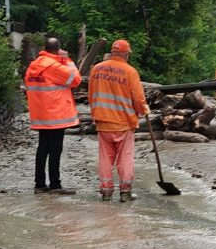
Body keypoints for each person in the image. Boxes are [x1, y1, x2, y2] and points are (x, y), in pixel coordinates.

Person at [88, 39, 149, 202]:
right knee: (125, 157)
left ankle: (106, 191)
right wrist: (143, 110)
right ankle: (125, 192)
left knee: (105, 158)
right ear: (126, 54)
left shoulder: (97, 69)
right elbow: (138, 97)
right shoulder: (130, 72)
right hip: (123, 122)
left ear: (113, 52)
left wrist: (95, 114)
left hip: (103, 120)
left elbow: (91, 95)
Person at [24, 38, 82, 194]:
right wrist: (67, 60)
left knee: (42, 148)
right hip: (55, 115)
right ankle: (55, 185)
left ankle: (40, 184)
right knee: (55, 150)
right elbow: (75, 79)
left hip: (40, 114)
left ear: (44, 48)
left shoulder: (33, 66)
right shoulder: (54, 66)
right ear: (58, 50)